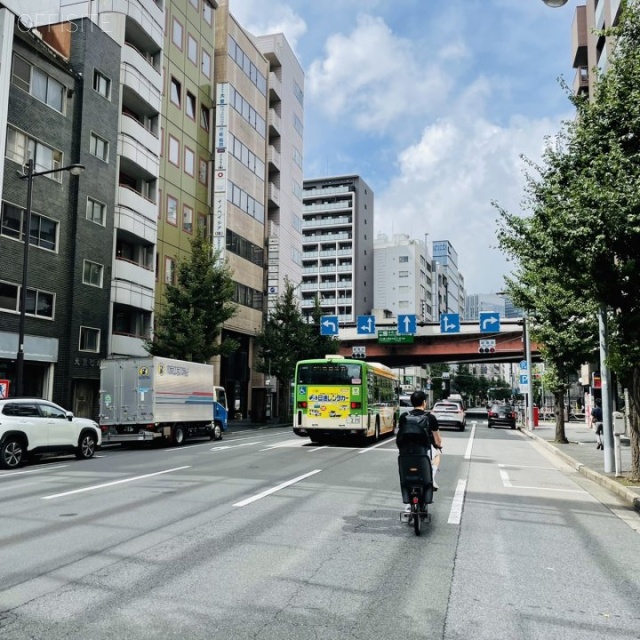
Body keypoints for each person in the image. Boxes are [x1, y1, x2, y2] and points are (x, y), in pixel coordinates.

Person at [396, 390, 443, 511]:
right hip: (423, 453)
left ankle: (408, 504)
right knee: (437, 455)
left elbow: (400, 435)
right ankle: (431, 477)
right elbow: (437, 440)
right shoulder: (430, 418)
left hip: (405, 453)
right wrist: (438, 445)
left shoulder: (404, 416)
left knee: (405, 477)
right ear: (424, 403)